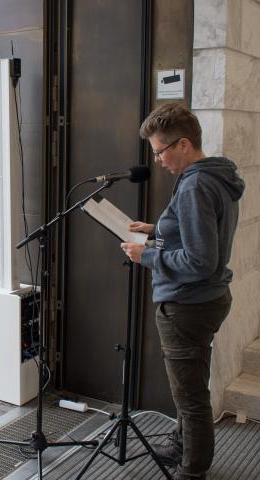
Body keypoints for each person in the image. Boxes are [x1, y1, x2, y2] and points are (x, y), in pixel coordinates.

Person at [120, 103, 244, 480]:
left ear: (184, 144)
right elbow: (200, 232)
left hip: (188, 304)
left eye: (160, 151)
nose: (157, 159)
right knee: (190, 385)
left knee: (190, 399)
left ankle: (192, 470)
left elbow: (199, 261)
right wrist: (157, 228)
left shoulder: (194, 185)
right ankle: (181, 444)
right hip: (208, 300)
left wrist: (147, 254)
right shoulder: (215, 176)